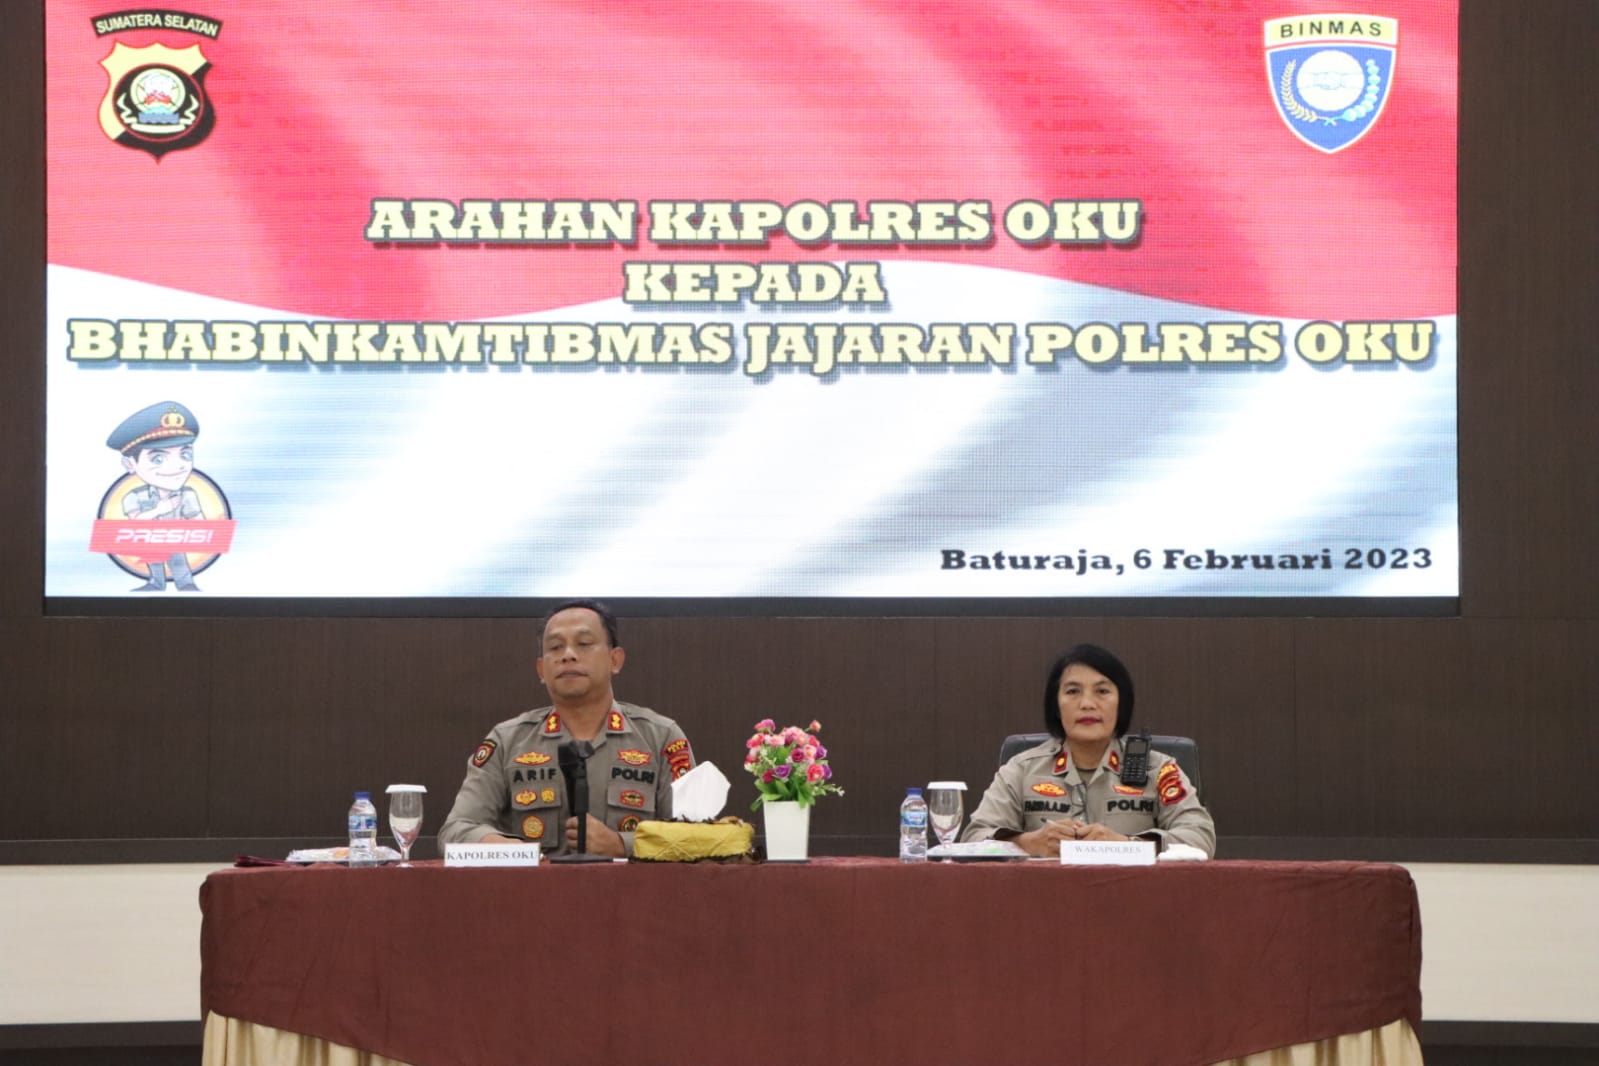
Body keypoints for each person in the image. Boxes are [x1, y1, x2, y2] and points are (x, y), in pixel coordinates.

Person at [438, 598, 695, 857]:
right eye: (555, 647)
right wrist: (508, 850)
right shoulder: (508, 741)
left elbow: (697, 836)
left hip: (631, 884)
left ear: (615, 660)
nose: (568, 655)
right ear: (541, 670)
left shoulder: (661, 738)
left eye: (584, 644)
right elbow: (456, 830)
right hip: (536, 883)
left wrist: (622, 844)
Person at [961, 643, 1215, 858]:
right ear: (1056, 706)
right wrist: (1028, 843)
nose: (1087, 703)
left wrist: (1128, 846)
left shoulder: (1159, 769)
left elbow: (1200, 838)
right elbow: (973, 838)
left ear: (1121, 703)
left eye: (1102, 691)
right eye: (1073, 691)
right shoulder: (1021, 770)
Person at [105, 400, 206, 591]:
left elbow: (201, 525)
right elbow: (135, 524)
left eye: (185, 455)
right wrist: (160, 510)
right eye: (158, 459)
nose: (178, 466)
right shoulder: (133, 497)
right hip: (150, 541)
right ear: (130, 465)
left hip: (176, 540)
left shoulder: (187, 494)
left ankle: (187, 585)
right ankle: (156, 583)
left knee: (179, 565)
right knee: (153, 560)